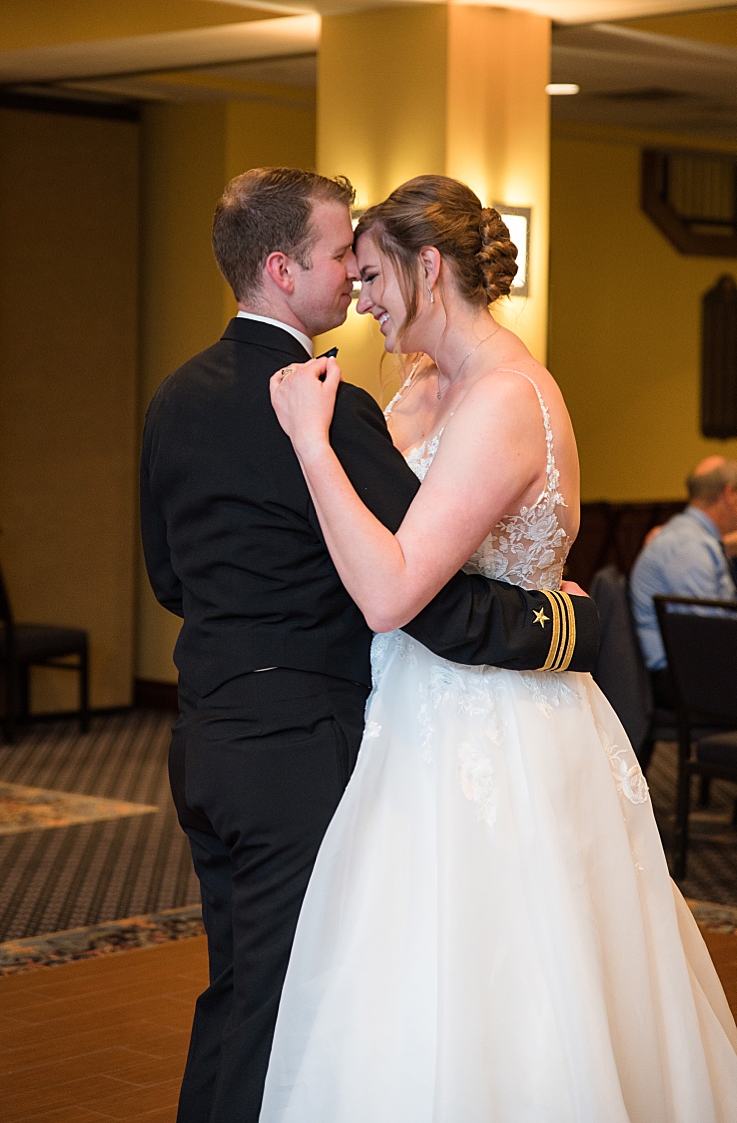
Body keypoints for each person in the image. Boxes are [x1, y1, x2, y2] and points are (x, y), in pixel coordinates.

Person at [261, 174, 737, 1119]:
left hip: (496, 724)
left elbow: (395, 586)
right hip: (410, 711)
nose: (358, 300)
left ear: (426, 267)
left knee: (508, 986)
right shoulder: (422, 385)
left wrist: (311, 443)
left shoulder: (508, 399)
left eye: (370, 277)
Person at [140, 167, 605, 1123]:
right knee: (282, 1006)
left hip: (205, 737)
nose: (354, 273)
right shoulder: (335, 406)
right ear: (281, 268)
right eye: (339, 252)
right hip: (302, 747)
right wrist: (561, 626)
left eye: (367, 258)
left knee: (236, 988)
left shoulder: (175, 397)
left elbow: (168, 579)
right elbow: (419, 599)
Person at [630, 456, 737, 709]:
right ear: (730, 494)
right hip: (683, 680)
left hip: (693, 669)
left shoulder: (693, 538)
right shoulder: (689, 547)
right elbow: (712, 635)